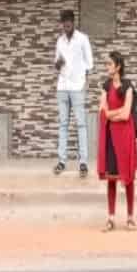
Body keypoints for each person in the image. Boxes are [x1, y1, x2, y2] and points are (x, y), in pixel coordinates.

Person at [97, 51, 137, 231]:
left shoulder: (128, 87)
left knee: (128, 178)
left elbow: (126, 113)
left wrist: (111, 114)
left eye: (109, 64)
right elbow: (102, 112)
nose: (107, 67)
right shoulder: (105, 87)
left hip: (125, 136)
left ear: (118, 67)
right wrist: (115, 113)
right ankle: (111, 218)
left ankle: (130, 217)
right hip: (110, 136)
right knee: (111, 178)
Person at [53, 9, 93, 177]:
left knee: (81, 124)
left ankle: (83, 162)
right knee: (63, 124)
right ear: (62, 23)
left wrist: (85, 84)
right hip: (62, 86)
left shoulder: (82, 39)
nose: (66, 24)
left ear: (73, 22)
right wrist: (58, 63)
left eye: (69, 21)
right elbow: (56, 64)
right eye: (64, 22)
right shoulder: (60, 41)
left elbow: (90, 63)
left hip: (77, 87)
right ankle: (62, 161)